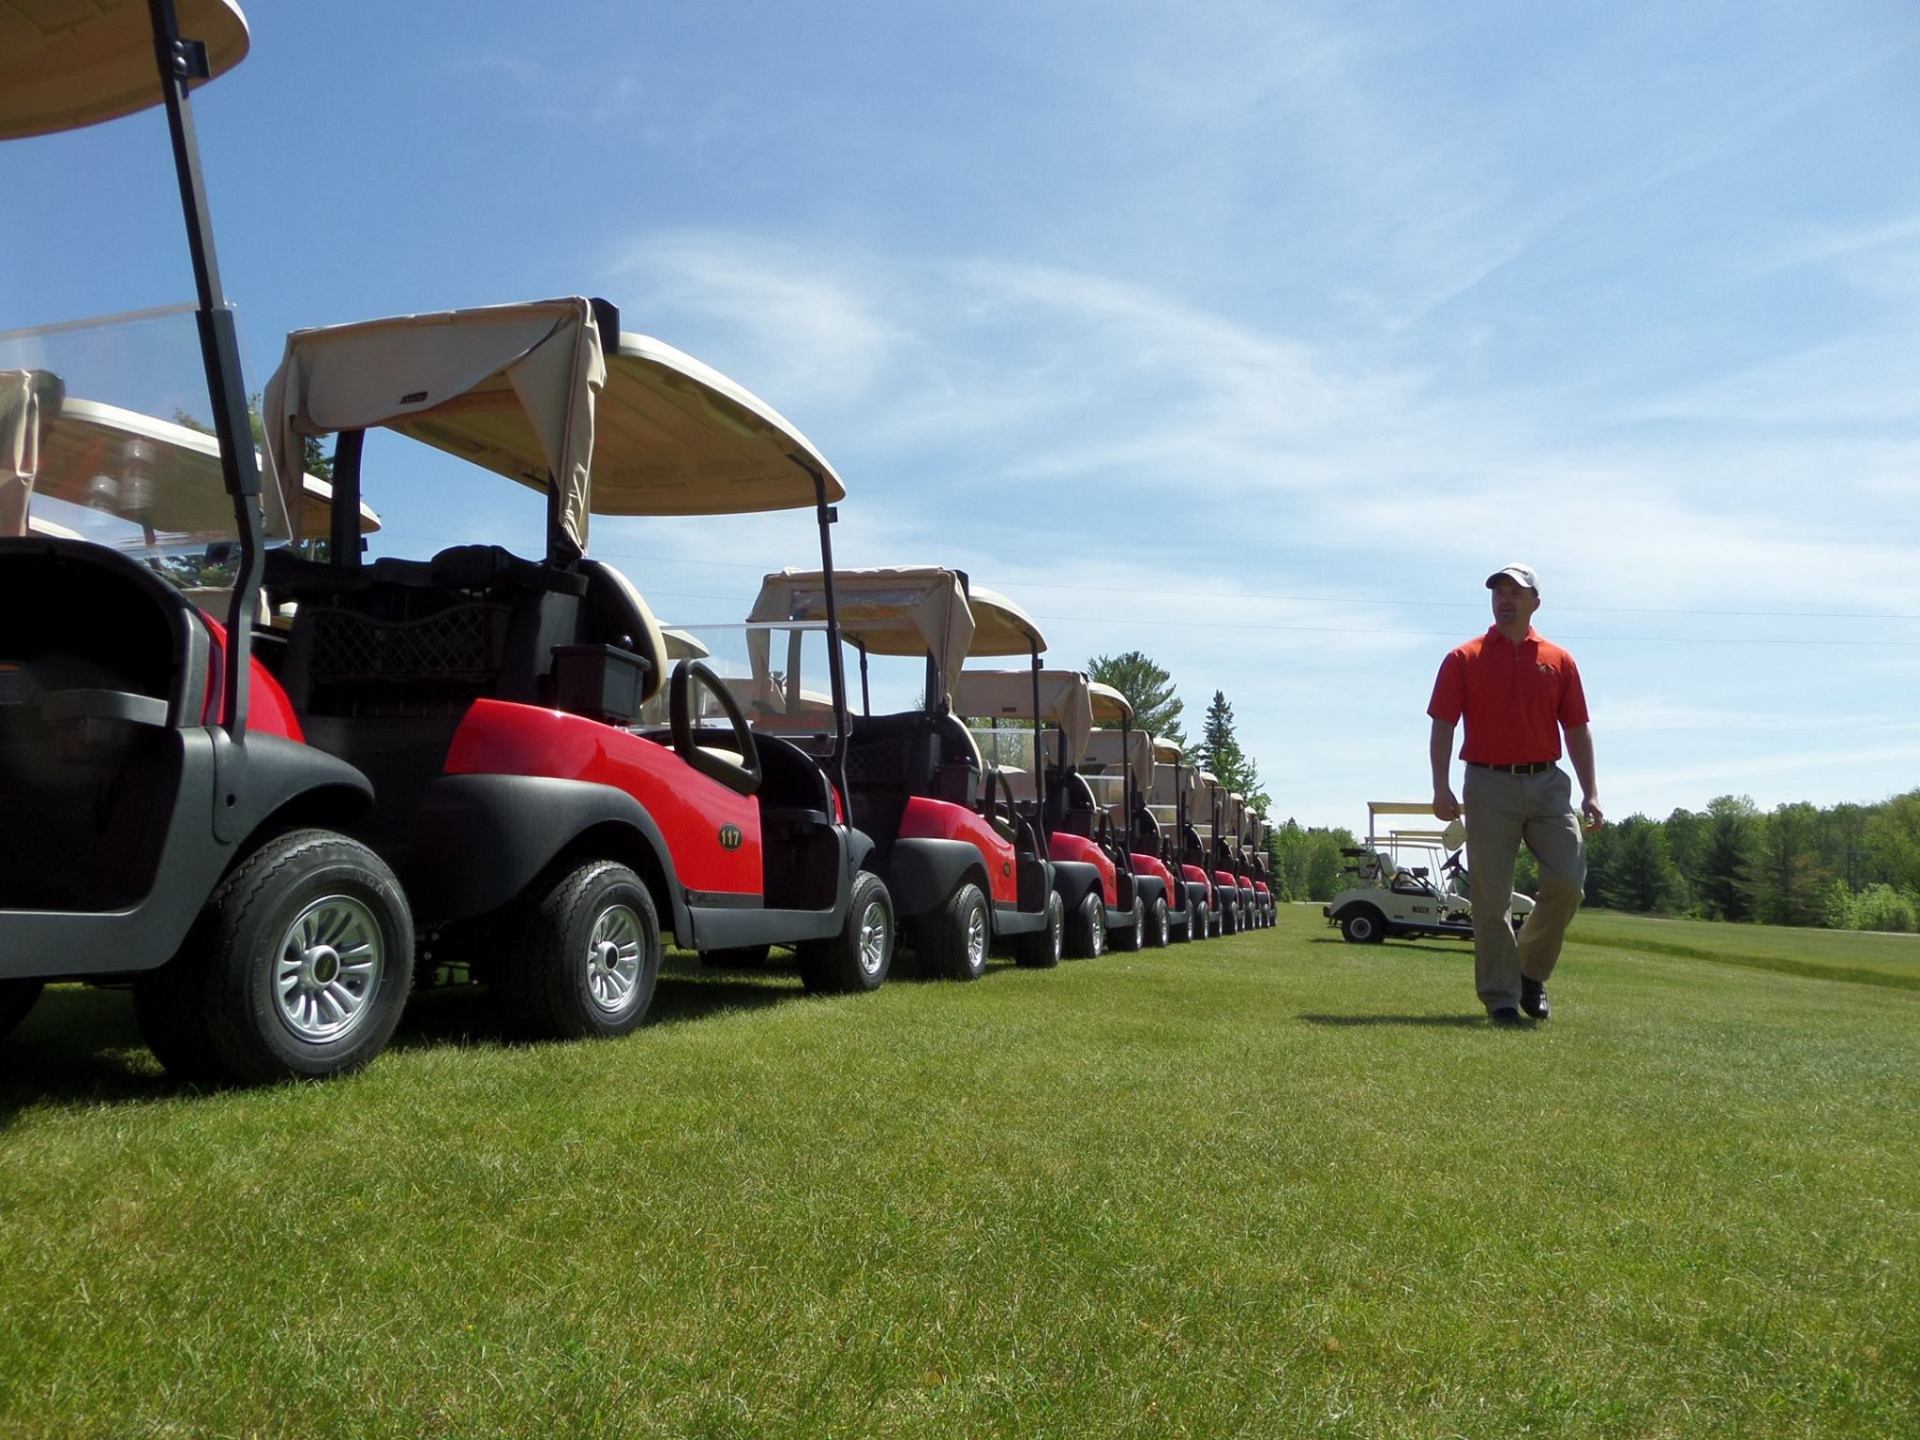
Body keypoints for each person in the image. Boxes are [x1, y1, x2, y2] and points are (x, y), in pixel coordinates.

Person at [1427, 563, 1602, 1024]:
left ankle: (1530, 971)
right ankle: (1501, 996)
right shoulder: (1463, 658)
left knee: (1567, 883)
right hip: (1486, 784)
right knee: (1491, 897)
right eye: (1498, 592)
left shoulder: (1558, 659)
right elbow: (1443, 725)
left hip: (1548, 783)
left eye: (1515, 592)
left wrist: (1591, 792)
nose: (1505, 599)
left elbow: (1578, 729)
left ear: (1534, 603)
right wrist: (1440, 786)